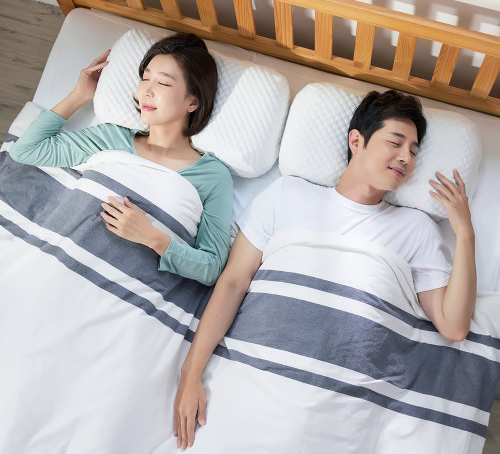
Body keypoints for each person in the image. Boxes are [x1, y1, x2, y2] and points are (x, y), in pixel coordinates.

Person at [173, 89, 476, 449]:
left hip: (338, 414)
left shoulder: (416, 229)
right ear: (356, 141)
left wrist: (465, 232)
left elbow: (454, 326)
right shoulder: (287, 194)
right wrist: (191, 373)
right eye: (396, 143)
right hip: (251, 389)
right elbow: (233, 283)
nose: (405, 158)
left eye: (413, 150)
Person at [9, 33, 233, 286]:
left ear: (193, 102)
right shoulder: (111, 137)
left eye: (163, 83)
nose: (146, 90)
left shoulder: (212, 175)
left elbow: (211, 267)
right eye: (145, 78)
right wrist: (79, 95)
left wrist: (152, 237)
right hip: (54, 262)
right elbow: (26, 150)